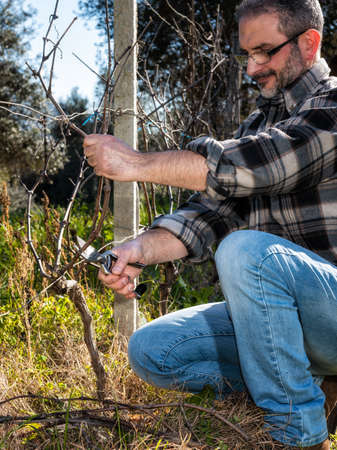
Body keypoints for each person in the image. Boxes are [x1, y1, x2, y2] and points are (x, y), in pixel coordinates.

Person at [83, 0, 337, 447]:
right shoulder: (259, 123)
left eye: (264, 52)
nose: (252, 68)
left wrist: (135, 163)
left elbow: (265, 166)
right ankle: (316, 390)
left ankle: (299, 435)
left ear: (309, 43)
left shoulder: (332, 105)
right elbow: (210, 213)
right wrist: (140, 249)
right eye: (246, 55)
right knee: (154, 351)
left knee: (245, 252)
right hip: (290, 327)